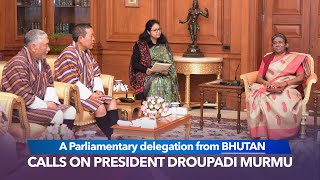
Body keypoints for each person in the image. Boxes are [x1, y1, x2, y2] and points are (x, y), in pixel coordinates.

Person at [1, 29, 76, 130]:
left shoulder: (42, 61)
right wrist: (46, 105)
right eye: (46, 45)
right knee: (56, 114)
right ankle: (50, 145)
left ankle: (63, 141)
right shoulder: (17, 63)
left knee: (70, 111)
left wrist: (50, 101)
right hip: (20, 111)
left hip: (39, 105)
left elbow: (50, 83)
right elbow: (24, 95)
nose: (48, 49)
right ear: (33, 47)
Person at [54, 24, 118, 139]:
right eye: (91, 36)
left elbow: (96, 73)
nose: (94, 39)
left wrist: (98, 91)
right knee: (100, 107)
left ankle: (116, 134)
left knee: (112, 102)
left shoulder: (87, 52)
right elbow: (71, 81)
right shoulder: (68, 54)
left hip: (89, 92)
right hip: (74, 95)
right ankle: (112, 137)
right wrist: (90, 95)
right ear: (80, 38)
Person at [246, 33, 311, 140]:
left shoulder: (294, 59)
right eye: (275, 43)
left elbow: (300, 78)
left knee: (283, 99)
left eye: (280, 42)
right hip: (270, 85)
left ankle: (281, 132)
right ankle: (263, 132)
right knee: (258, 96)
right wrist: (265, 83)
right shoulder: (267, 58)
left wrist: (284, 83)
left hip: (289, 86)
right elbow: (259, 78)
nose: (277, 45)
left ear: (286, 45)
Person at [129, 19, 180, 103]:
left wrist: (166, 71)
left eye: (159, 29)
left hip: (162, 73)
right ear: (148, 32)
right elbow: (134, 64)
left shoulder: (163, 44)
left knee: (167, 81)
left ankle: (167, 108)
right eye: (155, 30)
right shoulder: (141, 45)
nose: (158, 32)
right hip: (146, 73)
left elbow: (169, 62)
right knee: (157, 81)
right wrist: (146, 70)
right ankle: (153, 107)